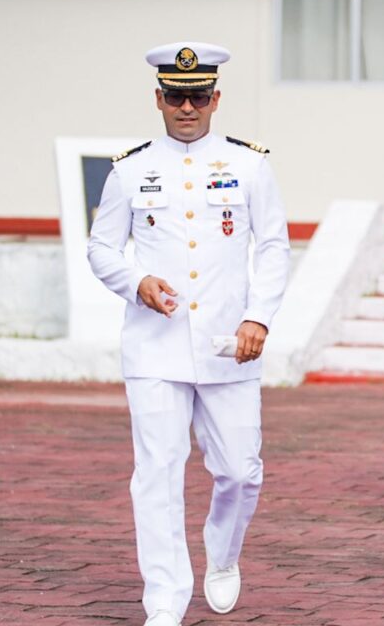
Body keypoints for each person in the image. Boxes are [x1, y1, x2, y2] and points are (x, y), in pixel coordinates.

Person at [87, 42, 290, 626]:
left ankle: (222, 553)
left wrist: (259, 317)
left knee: (240, 470)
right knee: (156, 473)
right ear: (158, 99)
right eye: (175, 97)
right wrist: (135, 280)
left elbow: (274, 247)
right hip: (155, 345)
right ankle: (165, 602)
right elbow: (102, 247)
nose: (186, 107)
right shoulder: (130, 168)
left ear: (215, 99)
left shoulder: (250, 165)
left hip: (230, 345)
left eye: (197, 97)